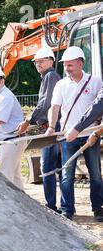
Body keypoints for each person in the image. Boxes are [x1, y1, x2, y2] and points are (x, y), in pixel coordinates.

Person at [46, 46, 103, 220]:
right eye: (65, 65)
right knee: (66, 174)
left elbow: (98, 108)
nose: (67, 68)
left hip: (90, 134)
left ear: (80, 63)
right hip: (67, 135)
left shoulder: (95, 82)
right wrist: (51, 126)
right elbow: (54, 107)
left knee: (95, 174)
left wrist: (97, 131)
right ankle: (67, 210)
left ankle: (98, 208)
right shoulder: (61, 84)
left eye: (70, 65)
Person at [17, 47, 62, 212]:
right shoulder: (49, 77)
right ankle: (64, 207)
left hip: (52, 127)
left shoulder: (50, 76)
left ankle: (51, 206)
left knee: (48, 166)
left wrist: (29, 120)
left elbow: (46, 102)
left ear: (51, 61)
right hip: (53, 126)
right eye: (36, 62)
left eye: (41, 61)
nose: (38, 64)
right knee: (58, 166)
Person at [0, 67, 27, 190]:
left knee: (5, 179)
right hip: (12, 141)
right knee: (15, 178)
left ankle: (10, 208)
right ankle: (24, 205)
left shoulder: (4, 97)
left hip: (11, 141)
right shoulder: (0, 95)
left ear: (2, 81)